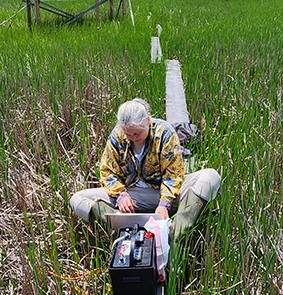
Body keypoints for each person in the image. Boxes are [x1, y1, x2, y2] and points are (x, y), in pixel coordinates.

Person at [70, 98, 221, 239]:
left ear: (148, 121)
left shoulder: (165, 132)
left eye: (137, 133)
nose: (133, 138)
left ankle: (174, 233)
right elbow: (107, 171)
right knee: (77, 199)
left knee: (211, 177)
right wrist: (121, 195)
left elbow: (173, 174)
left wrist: (164, 204)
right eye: (128, 134)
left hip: (167, 193)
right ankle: (126, 228)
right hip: (135, 195)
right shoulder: (117, 136)